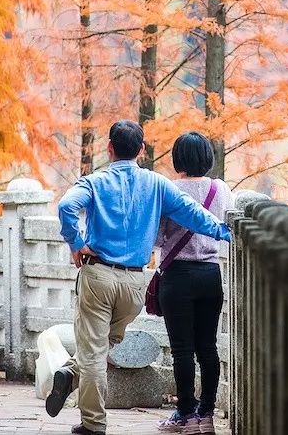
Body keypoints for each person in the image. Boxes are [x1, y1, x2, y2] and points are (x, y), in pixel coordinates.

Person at [46, 120, 232, 435]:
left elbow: (66, 206)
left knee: (93, 349)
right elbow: (193, 213)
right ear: (142, 151)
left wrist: (76, 243)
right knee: (107, 341)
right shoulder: (157, 183)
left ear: (109, 148)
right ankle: (72, 373)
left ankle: (93, 422)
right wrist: (224, 231)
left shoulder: (95, 181)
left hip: (98, 275)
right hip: (134, 284)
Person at [154, 132, 233, 435]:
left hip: (177, 275)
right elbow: (228, 225)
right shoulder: (220, 188)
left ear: (177, 159)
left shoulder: (169, 191)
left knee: (182, 349)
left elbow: (159, 237)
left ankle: (185, 415)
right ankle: (206, 415)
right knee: (207, 346)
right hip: (210, 274)